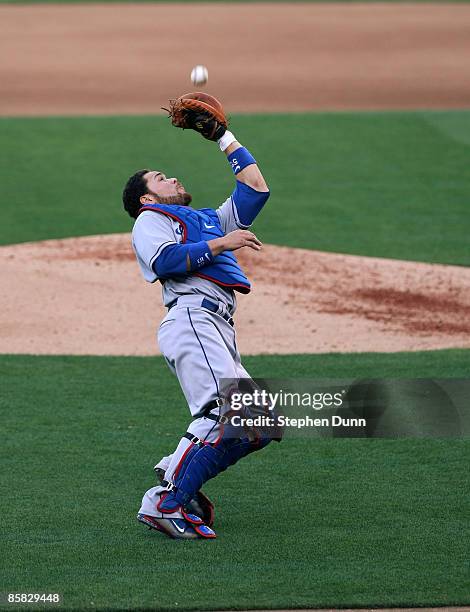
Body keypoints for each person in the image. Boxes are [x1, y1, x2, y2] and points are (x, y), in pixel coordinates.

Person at [122, 100, 276, 540]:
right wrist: (222, 245)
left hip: (217, 326)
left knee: (259, 423)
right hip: (192, 318)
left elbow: (255, 189)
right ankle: (165, 503)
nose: (171, 177)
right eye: (159, 177)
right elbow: (165, 260)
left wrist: (222, 138)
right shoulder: (151, 219)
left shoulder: (205, 219)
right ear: (147, 197)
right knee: (223, 412)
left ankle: (178, 472)